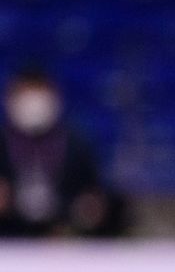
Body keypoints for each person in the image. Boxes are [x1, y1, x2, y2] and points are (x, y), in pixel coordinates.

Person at [0, 68, 122, 237]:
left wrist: (89, 208)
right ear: (11, 97)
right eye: (26, 91)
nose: (33, 101)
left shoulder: (76, 143)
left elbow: (95, 197)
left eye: (39, 90)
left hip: (65, 240)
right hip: (9, 238)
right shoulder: (3, 142)